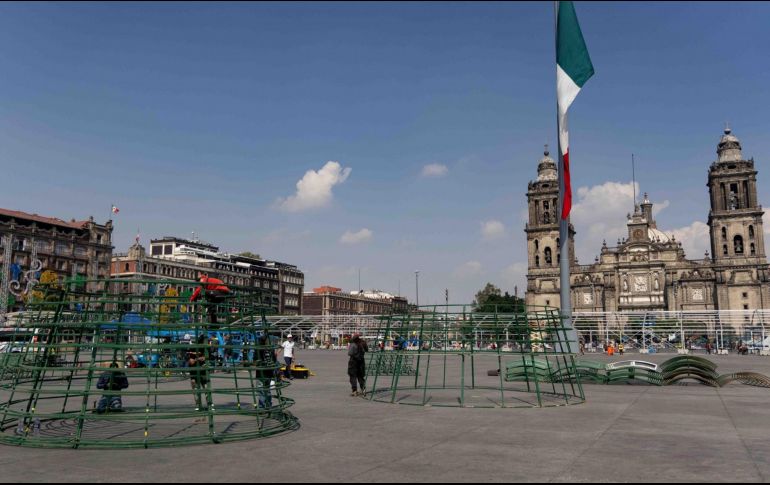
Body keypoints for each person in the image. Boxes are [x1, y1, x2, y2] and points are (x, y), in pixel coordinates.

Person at [187, 334, 211, 411]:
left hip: (203, 371)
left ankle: (210, 404)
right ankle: (198, 404)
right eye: (205, 341)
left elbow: (207, 358)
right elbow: (191, 361)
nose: (207, 343)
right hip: (194, 371)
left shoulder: (207, 349)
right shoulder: (193, 348)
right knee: (195, 388)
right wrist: (198, 359)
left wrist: (203, 358)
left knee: (206, 387)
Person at [255, 334, 277, 409]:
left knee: (262, 390)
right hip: (268, 373)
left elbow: (255, 361)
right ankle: (268, 405)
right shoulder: (271, 349)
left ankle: (262, 406)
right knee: (267, 390)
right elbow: (274, 360)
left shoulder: (259, 350)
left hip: (262, 373)